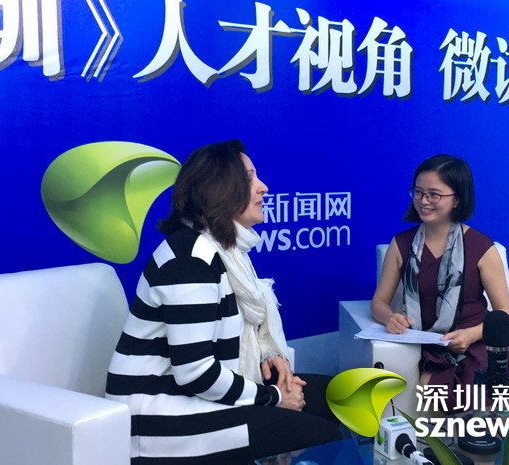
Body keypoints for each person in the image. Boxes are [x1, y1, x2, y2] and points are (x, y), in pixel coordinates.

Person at [105, 140, 341, 465]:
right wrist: (273, 396)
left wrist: (269, 355)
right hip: (161, 415)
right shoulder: (189, 260)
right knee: (319, 434)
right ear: (219, 190)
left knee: (333, 396)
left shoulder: (224, 248)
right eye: (250, 178)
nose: (263, 187)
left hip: (195, 394)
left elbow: (241, 328)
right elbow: (195, 372)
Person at [370, 154, 509, 415]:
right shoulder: (400, 244)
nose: (423, 201)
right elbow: (378, 303)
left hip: (477, 343)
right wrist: (390, 318)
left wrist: (471, 335)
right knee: (435, 393)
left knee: (485, 397)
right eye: (418, 192)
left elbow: (505, 314)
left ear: (457, 198)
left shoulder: (482, 247)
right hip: (429, 344)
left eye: (434, 195)